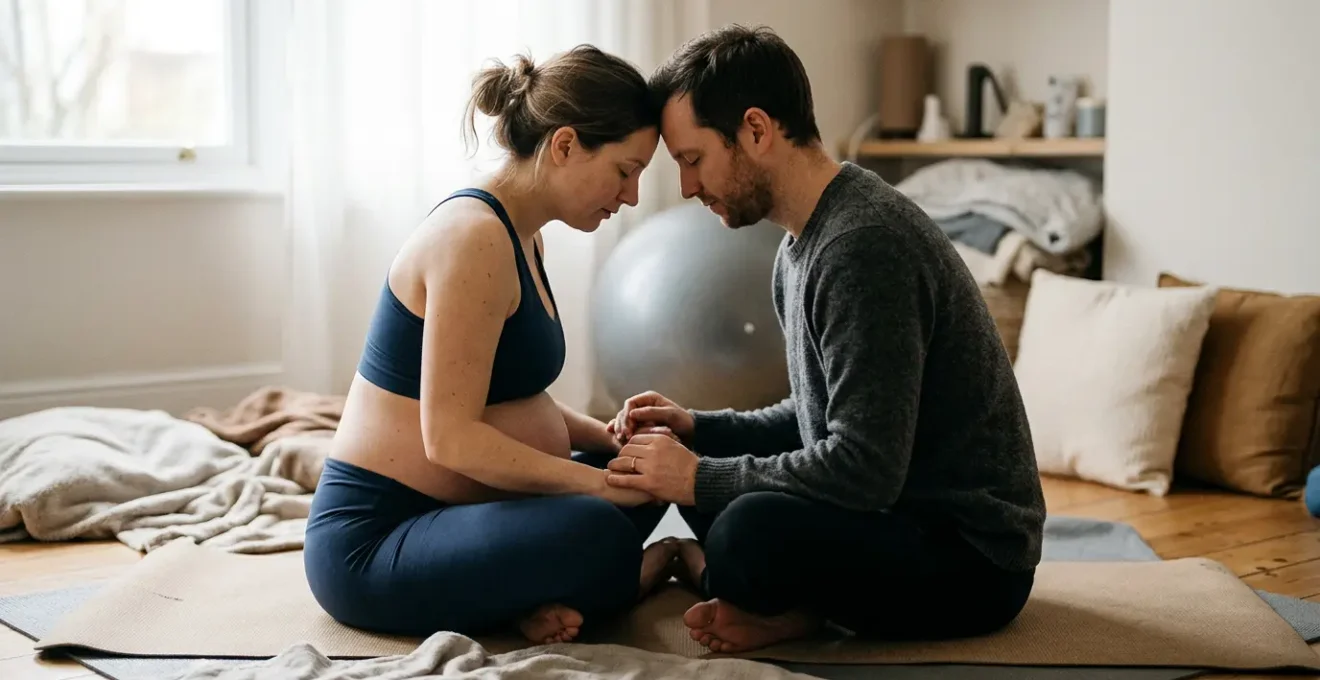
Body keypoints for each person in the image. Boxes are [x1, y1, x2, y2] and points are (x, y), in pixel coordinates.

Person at [604, 25, 1047, 654]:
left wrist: (700, 480)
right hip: (891, 515)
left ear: (756, 130)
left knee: (744, 531)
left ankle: (787, 607)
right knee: (707, 476)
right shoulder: (800, 246)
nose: (687, 187)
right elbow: (816, 418)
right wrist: (699, 428)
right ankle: (785, 606)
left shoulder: (863, 246)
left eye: (692, 159)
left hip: (971, 559)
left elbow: (864, 470)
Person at [302, 45, 677, 646]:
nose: (631, 195)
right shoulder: (472, 239)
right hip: (379, 538)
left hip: (465, 515)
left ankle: (521, 597)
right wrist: (594, 484)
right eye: (625, 170)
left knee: (650, 463)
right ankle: (605, 582)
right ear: (564, 145)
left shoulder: (522, 236)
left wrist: (606, 441)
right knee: (599, 526)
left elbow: (507, 395)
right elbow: (450, 438)